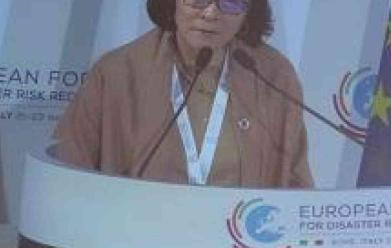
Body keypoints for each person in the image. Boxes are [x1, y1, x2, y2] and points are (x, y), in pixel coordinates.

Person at [54, 0, 313, 189]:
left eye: (231, 2)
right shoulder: (116, 73)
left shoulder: (275, 76)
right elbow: (67, 173)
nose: (211, 12)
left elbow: (297, 186)